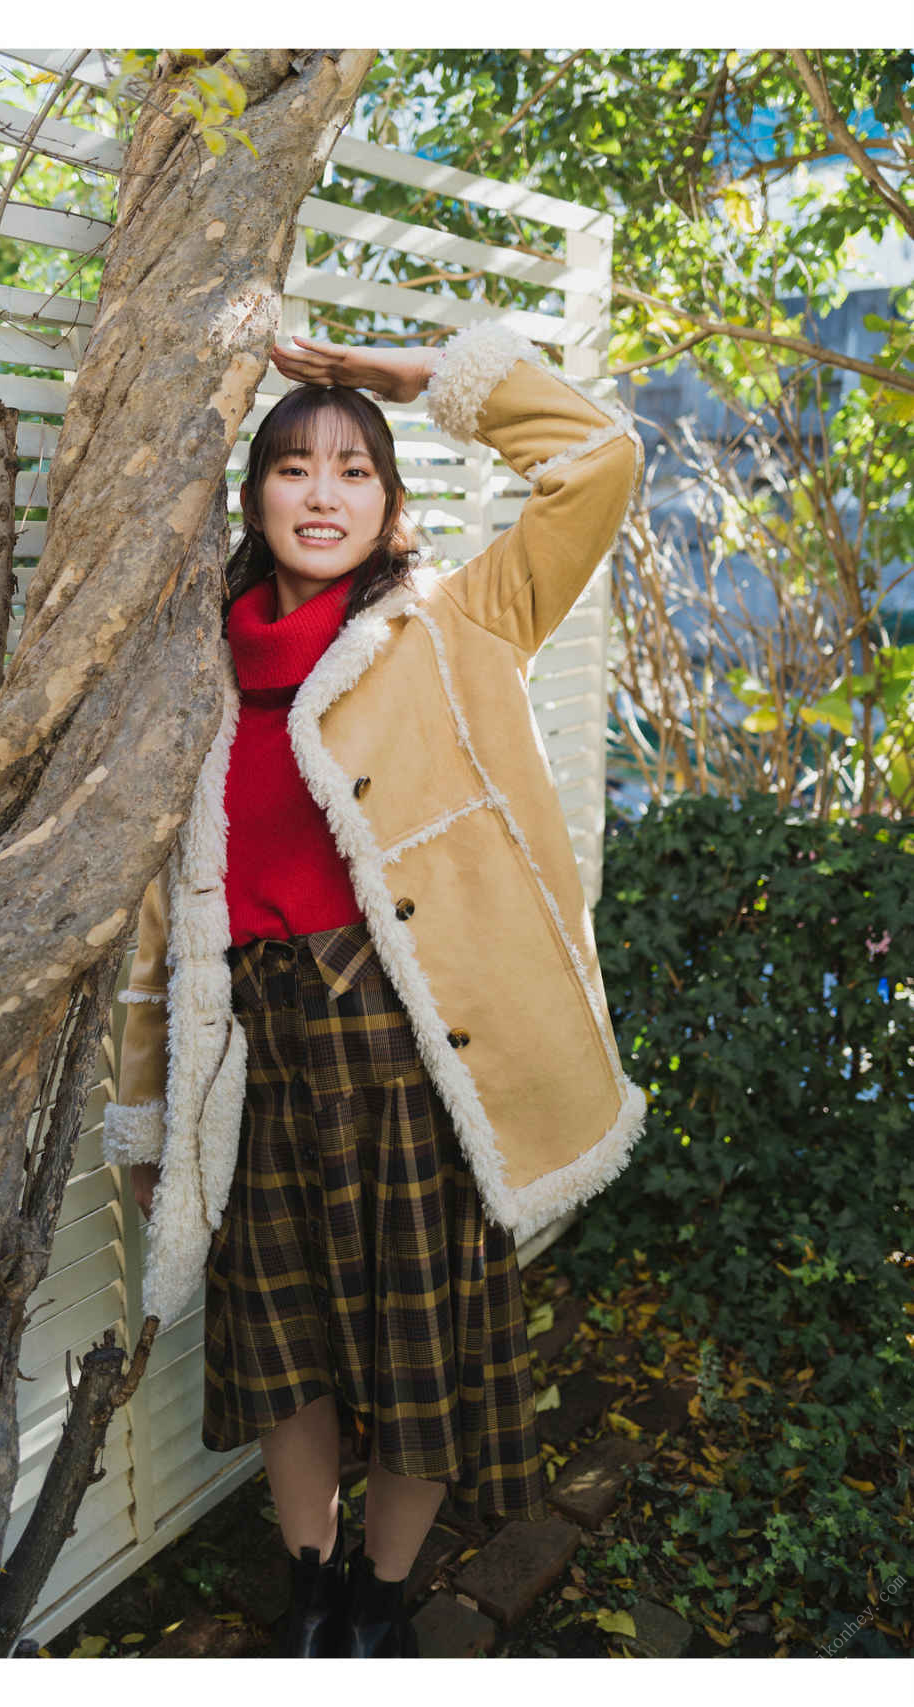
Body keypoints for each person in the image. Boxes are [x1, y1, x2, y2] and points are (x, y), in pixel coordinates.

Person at [103, 322, 648, 1657]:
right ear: (254, 497)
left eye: (355, 469)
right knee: (285, 1353)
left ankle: (382, 1605)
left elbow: (598, 458)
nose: (324, 494)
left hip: (416, 1072)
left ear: (390, 499)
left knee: (423, 1362)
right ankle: (309, 1590)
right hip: (262, 1075)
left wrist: (426, 376)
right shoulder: (196, 679)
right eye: (294, 468)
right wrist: (148, 1118)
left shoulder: (458, 623)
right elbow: (158, 934)